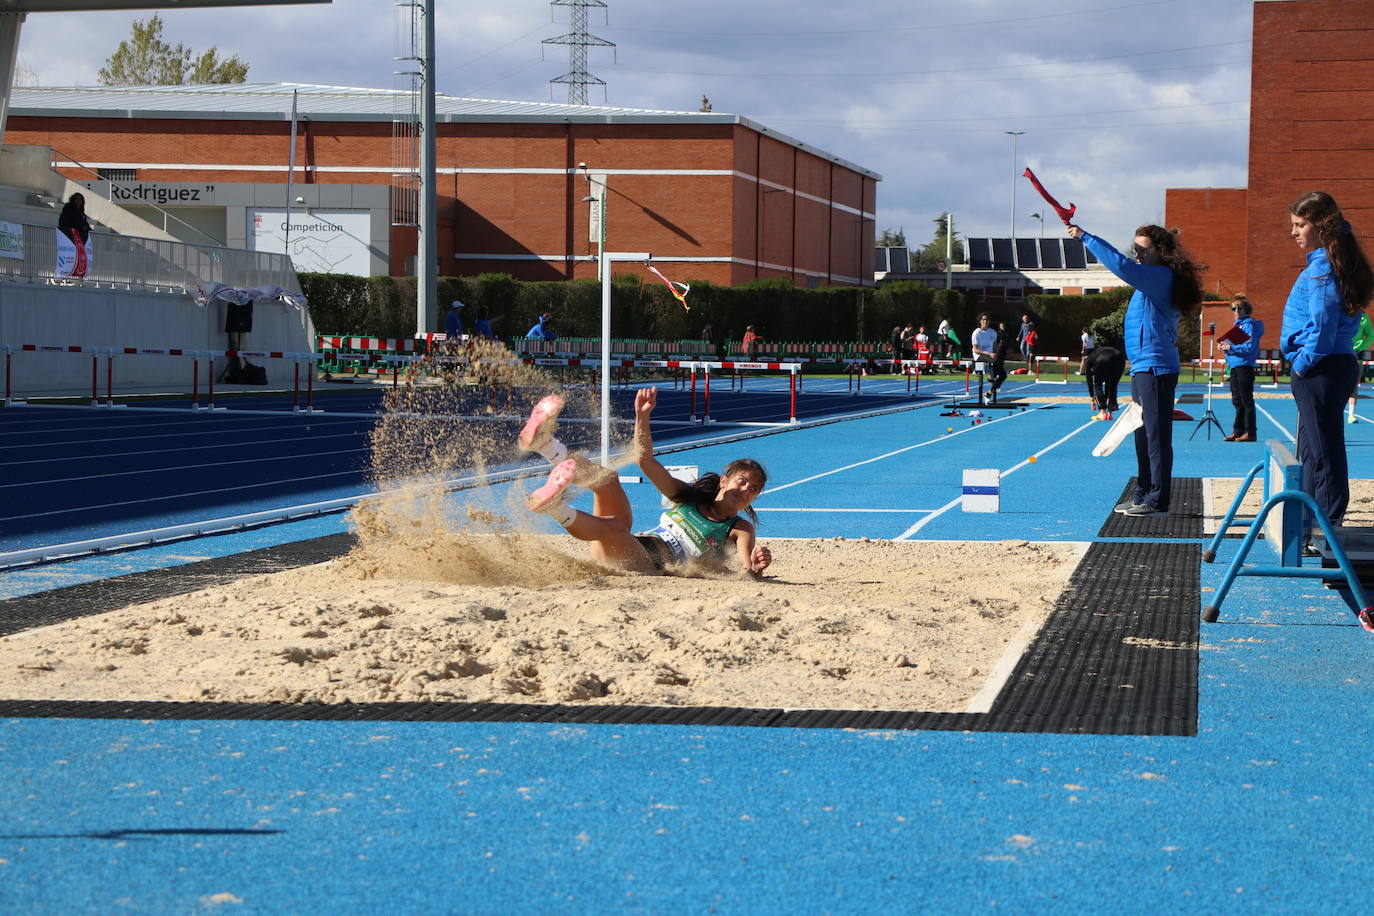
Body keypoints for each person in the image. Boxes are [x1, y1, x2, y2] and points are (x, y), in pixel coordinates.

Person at [519, 388, 773, 577]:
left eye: (753, 490)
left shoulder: (739, 528)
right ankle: (545, 445)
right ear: (724, 481)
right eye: (742, 482)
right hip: (625, 550)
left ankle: (554, 506)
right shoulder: (688, 498)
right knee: (608, 480)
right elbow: (646, 462)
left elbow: (745, 570)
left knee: (616, 527)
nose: (745, 491)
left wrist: (756, 568)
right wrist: (642, 417)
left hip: (648, 567)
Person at [1068, 221, 1204, 517]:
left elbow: (1122, 266)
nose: (1138, 254)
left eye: (1143, 249)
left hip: (1156, 367)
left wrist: (1086, 237)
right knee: (1141, 433)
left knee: (1156, 436)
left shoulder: (1161, 277)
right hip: (1143, 367)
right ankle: (1143, 492)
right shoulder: (1148, 284)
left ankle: (1158, 499)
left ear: (1160, 251)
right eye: (1136, 248)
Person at [1281, 190, 1371, 535]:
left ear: (1321, 227)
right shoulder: (1332, 263)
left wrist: (1303, 364)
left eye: (1300, 224)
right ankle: (1311, 521)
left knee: (1321, 452)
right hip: (1329, 365)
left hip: (1321, 368)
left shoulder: (1322, 268)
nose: (1294, 232)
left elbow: (1322, 324)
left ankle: (1326, 524)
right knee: (1316, 449)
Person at [1218, 295, 1263, 442]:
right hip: (1235, 366)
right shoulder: (1238, 326)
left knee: (1246, 400)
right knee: (1237, 401)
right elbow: (1237, 347)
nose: (1236, 310)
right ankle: (1238, 431)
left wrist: (1230, 346)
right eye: (1234, 308)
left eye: (1239, 308)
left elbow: (1249, 347)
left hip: (1245, 366)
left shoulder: (1248, 325)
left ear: (1246, 310)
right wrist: (1225, 347)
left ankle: (1251, 432)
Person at [1083, 345, 1126, 419]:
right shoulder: (1097, 352)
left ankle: (1102, 412)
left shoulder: (1088, 360)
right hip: (1120, 357)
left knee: (1097, 385)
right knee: (1112, 384)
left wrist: (1092, 397)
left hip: (1104, 359)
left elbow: (1089, 380)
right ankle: (1109, 412)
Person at [1347, 309, 1372, 423]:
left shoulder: (1363, 317)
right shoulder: (1340, 313)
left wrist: (1361, 347)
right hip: (1339, 353)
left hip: (1356, 355)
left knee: (1353, 386)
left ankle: (1351, 415)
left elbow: (1370, 335)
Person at [970, 313, 998, 402]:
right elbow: (975, 350)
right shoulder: (976, 333)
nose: (985, 321)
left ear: (989, 321)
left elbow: (994, 346)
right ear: (980, 321)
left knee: (1001, 374)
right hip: (979, 355)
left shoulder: (993, 332)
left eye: (987, 320)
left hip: (991, 355)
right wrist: (988, 354)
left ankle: (989, 393)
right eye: (983, 319)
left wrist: (996, 353)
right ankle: (991, 377)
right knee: (994, 361)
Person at [988, 320, 1012, 403]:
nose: (1002, 327)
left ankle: (991, 390)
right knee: (997, 370)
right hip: (998, 353)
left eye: (1003, 326)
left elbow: (1007, 340)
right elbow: (997, 342)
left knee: (1001, 374)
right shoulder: (998, 334)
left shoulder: (1006, 334)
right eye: (1001, 326)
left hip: (1001, 354)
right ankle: (992, 380)